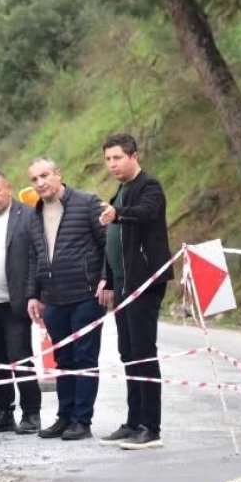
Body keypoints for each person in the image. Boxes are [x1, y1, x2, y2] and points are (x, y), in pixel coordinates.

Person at [98, 134, 174, 450]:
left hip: (145, 284)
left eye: (117, 157)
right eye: (108, 159)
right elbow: (114, 241)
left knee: (144, 353)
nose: (112, 164)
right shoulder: (121, 191)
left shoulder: (149, 186)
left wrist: (119, 214)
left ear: (133, 156)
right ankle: (132, 422)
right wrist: (109, 280)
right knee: (128, 353)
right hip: (124, 287)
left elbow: (146, 213)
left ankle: (150, 427)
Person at [25, 157, 109, 441]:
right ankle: (65, 416)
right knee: (62, 360)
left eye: (44, 175)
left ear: (58, 174)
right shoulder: (35, 213)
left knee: (84, 358)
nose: (40, 183)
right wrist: (34, 295)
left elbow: (107, 243)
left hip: (86, 296)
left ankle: (82, 421)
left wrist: (106, 280)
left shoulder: (86, 203)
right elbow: (35, 257)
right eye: (34, 179)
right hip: (53, 299)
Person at [0, 170, 41, 434]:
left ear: (8, 188)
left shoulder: (27, 216)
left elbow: (37, 256)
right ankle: (3, 412)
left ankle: (31, 413)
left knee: (20, 357)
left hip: (16, 303)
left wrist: (34, 294)